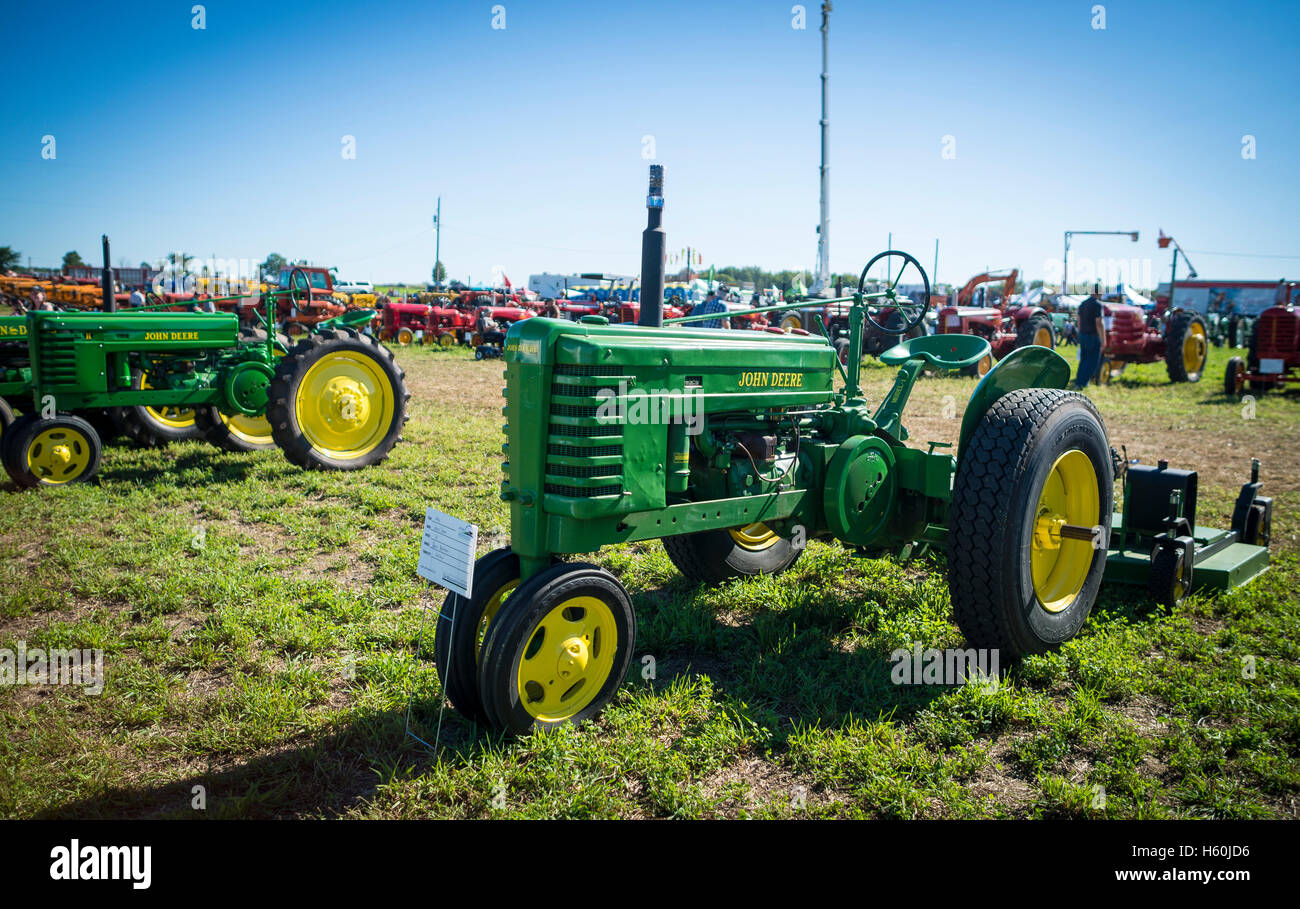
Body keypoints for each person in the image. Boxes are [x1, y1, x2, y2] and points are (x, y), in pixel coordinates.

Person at [1073, 284, 1106, 389]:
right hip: (1093, 336)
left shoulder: (1083, 304)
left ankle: (1079, 382)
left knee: (1083, 360)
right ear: (1099, 292)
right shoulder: (1098, 305)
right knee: (1092, 361)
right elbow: (1099, 322)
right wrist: (1103, 339)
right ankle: (1084, 382)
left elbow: (1078, 321)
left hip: (1083, 334)